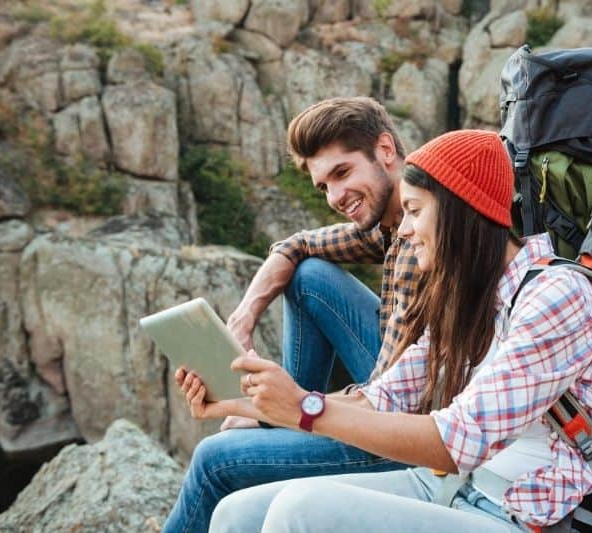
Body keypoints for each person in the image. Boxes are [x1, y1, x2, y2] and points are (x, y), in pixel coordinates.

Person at [186, 130, 592, 532]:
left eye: (415, 210)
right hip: (461, 490)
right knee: (235, 514)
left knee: (300, 508)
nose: (406, 229)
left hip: (532, 517)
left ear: (461, 209)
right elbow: (382, 397)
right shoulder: (469, 301)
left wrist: (305, 408)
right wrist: (254, 405)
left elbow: (458, 441)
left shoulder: (555, 297)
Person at [164, 97, 420, 532]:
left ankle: (288, 423)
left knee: (212, 461)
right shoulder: (393, 220)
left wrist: (272, 409)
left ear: (385, 150)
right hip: (396, 392)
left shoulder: (423, 240)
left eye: (342, 173)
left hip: (406, 435)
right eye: (324, 186)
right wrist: (242, 319)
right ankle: (287, 426)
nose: (335, 197)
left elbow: (388, 402)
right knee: (309, 275)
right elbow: (295, 246)